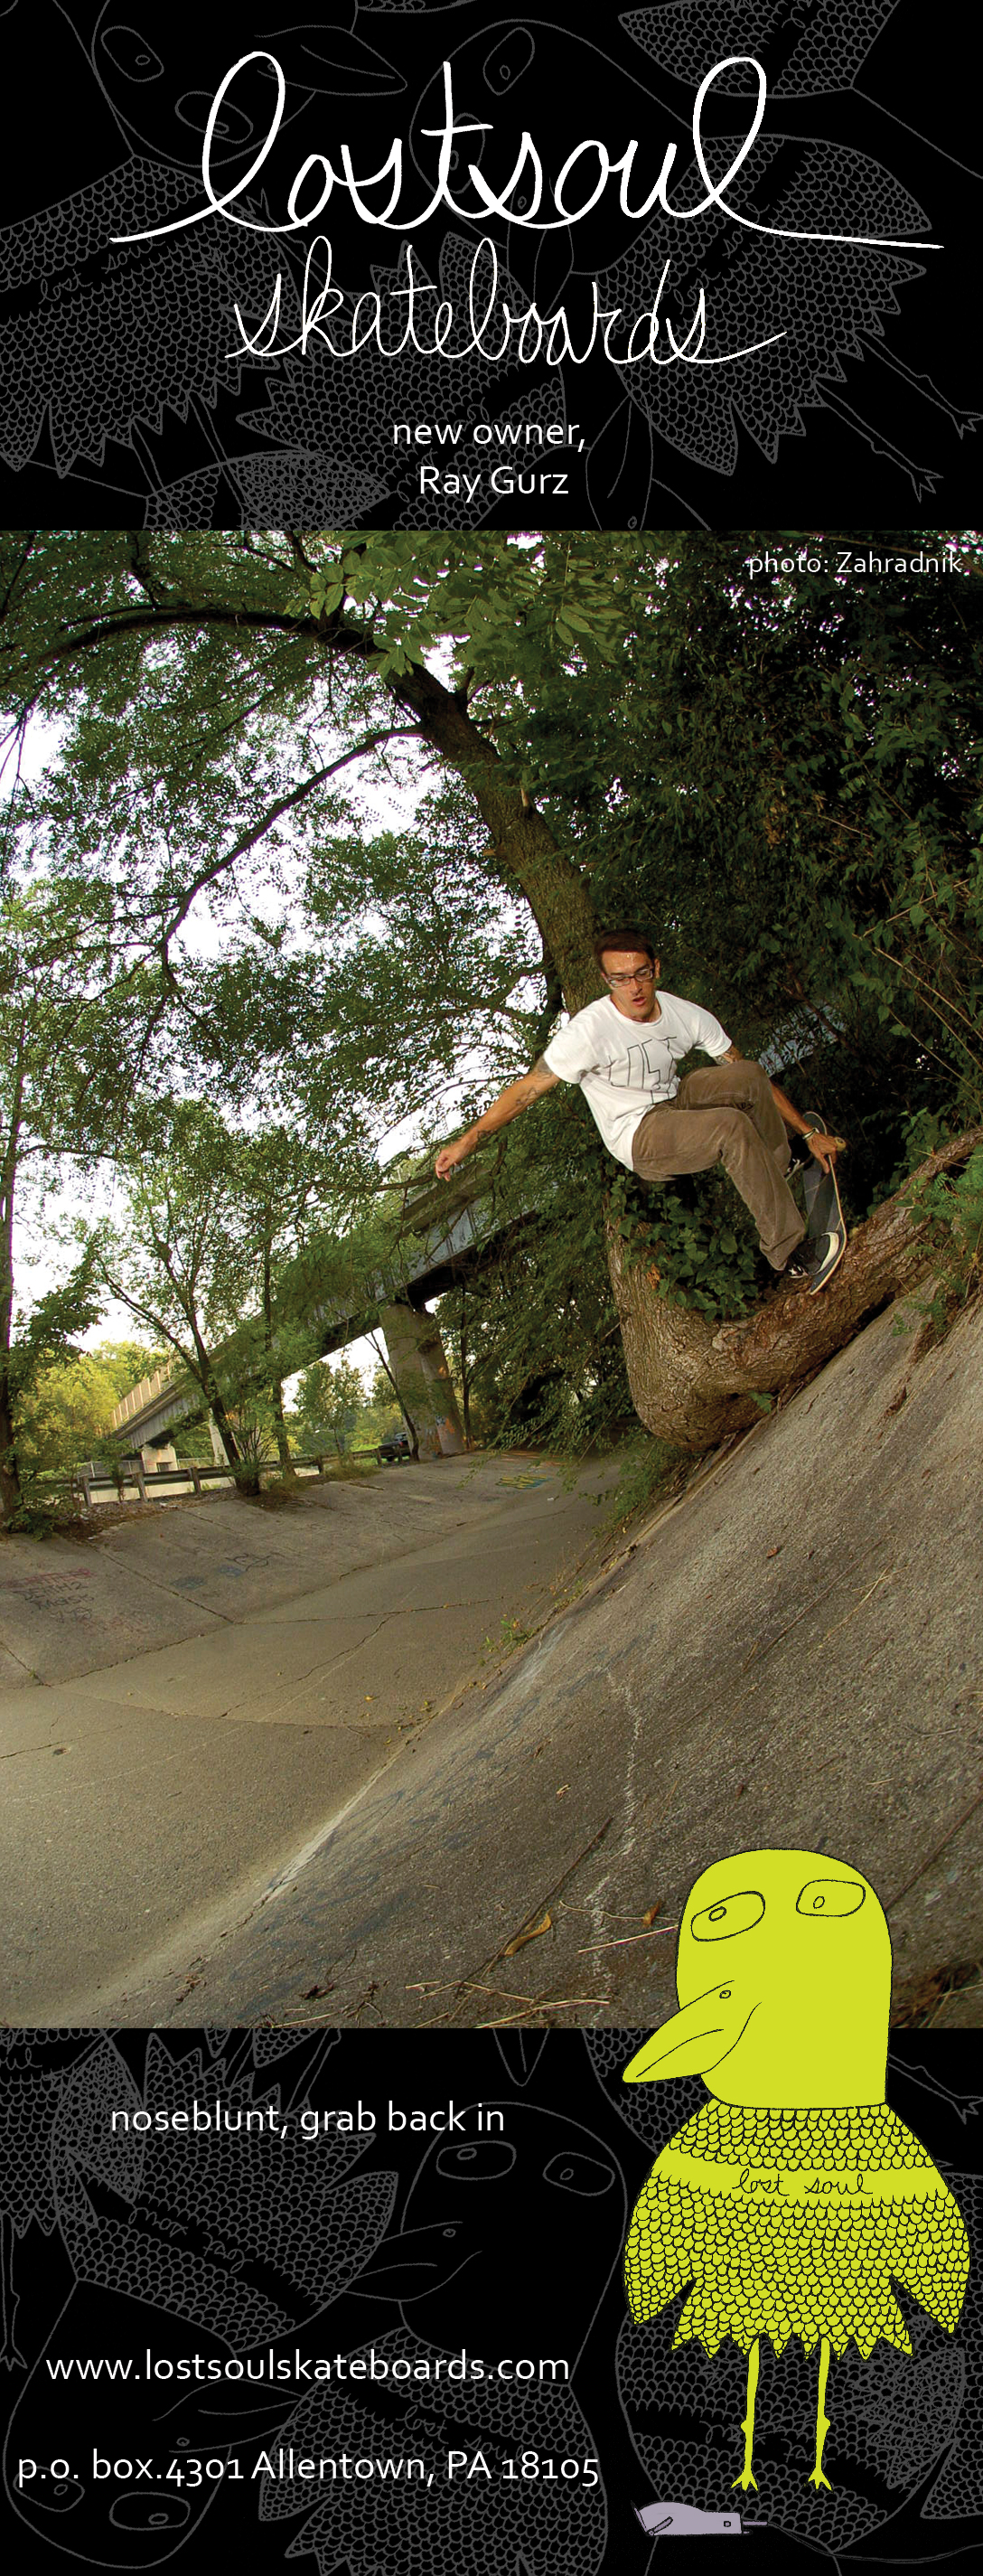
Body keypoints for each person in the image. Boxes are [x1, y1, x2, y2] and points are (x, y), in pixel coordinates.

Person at [435, 927, 846, 1291]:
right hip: (637, 1134)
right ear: (606, 981)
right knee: (730, 1126)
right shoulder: (588, 1031)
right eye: (620, 979)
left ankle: (777, 1165)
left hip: (676, 1100)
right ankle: (788, 1254)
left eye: (641, 974)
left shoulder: (684, 1014)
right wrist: (468, 1142)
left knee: (748, 1074)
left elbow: (748, 1075)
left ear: (656, 969)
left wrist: (808, 1133)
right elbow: (526, 1090)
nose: (634, 988)